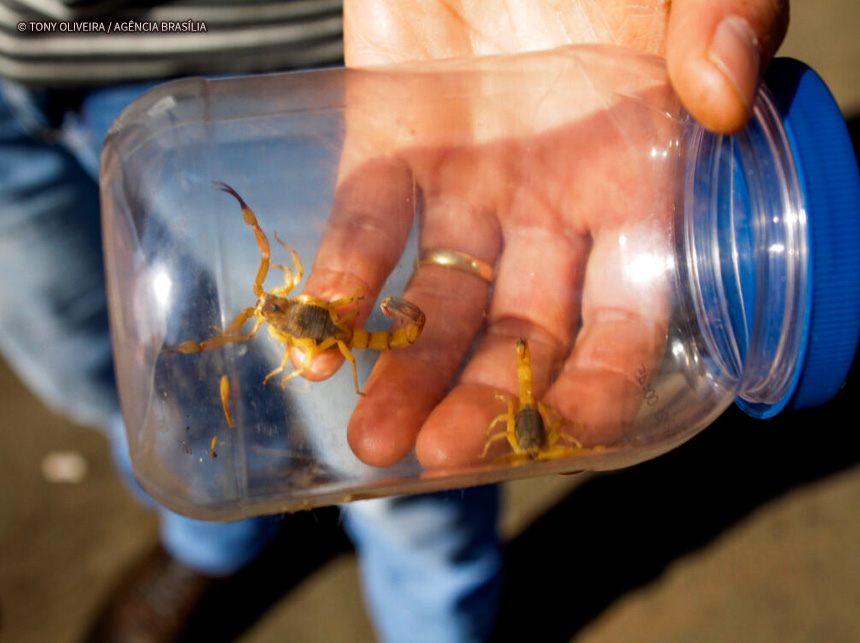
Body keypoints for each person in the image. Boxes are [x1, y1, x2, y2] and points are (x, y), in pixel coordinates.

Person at [0, 1, 790, 641]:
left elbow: (297, 332)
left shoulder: (284, 302)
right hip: (21, 65)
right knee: (117, 379)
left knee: (400, 467)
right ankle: (209, 545)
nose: (270, 299)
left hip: (292, 60)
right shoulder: (289, 306)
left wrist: (300, 324)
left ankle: (437, 620)